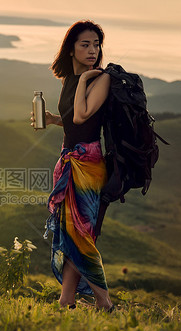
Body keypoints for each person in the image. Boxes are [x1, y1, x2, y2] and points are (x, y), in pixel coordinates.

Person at [30, 20, 114, 312]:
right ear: (71, 50)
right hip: (68, 159)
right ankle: (66, 300)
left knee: (82, 234)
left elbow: (82, 116)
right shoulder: (70, 81)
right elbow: (73, 120)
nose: (92, 50)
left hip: (89, 164)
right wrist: (54, 120)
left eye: (96, 44)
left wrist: (86, 78)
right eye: (85, 44)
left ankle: (104, 301)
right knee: (70, 234)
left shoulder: (100, 79)